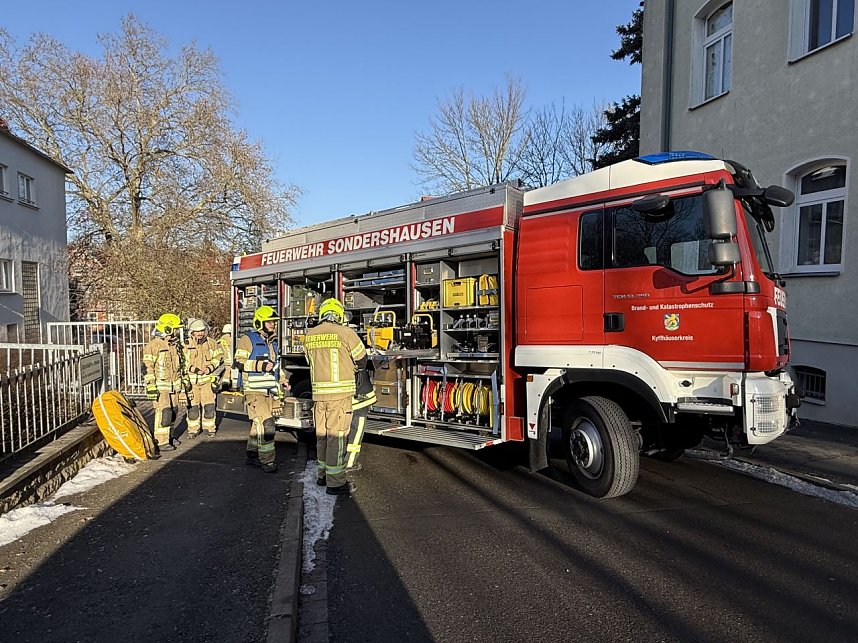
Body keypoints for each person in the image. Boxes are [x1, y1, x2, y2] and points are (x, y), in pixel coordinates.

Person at [304, 298, 369, 496]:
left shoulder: (309, 335)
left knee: (322, 436)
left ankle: (322, 475)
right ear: (339, 314)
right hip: (340, 396)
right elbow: (362, 359)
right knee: (337, 438)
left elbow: (309, 361)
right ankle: (336, 483)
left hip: (319, 396)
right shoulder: (346, 333)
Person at [234, 306, 285, 473]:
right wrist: (259, 365)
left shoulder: (273, 341)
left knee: (258, 424)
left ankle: (252, 455)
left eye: (274, 322)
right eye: (269, 322)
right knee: (267, 425)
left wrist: (283, 380)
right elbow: (238, 362)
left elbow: (275, 366)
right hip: (253, 390)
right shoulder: (247, 339)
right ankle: (268, 461)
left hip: (268, 390)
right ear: (259, 322)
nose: (272, 324)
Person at [142, 313, 185, 451]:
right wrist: (151, 386)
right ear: (168, 329)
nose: (177, 332)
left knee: (173, 412)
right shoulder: (154, 345)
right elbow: (147, 367)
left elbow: (180, 366)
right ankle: (161, 441)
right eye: (175, 329)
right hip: (161, 386)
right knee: (164, 412)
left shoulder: (174, 345)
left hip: (174, 386)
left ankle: (170, 437)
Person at [183, 319, 224, 438]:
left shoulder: (212, 343)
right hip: (192, 383)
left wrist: (210, 368)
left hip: (207, 381)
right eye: (197, 331)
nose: (200, 333)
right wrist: (195, 370)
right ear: (192, 332)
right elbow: (182, 362)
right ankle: (193, 430)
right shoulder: (186, 344)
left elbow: (219, 357)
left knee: (209, 406)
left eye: (202, 331)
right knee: (193, 408)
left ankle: (209, 428)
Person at [218, 323, 234, 388]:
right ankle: (225, 386)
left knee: (224, 372)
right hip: (229, 359)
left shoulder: (221, 339)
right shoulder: (229, 339)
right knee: (228, 372)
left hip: (223, 358)